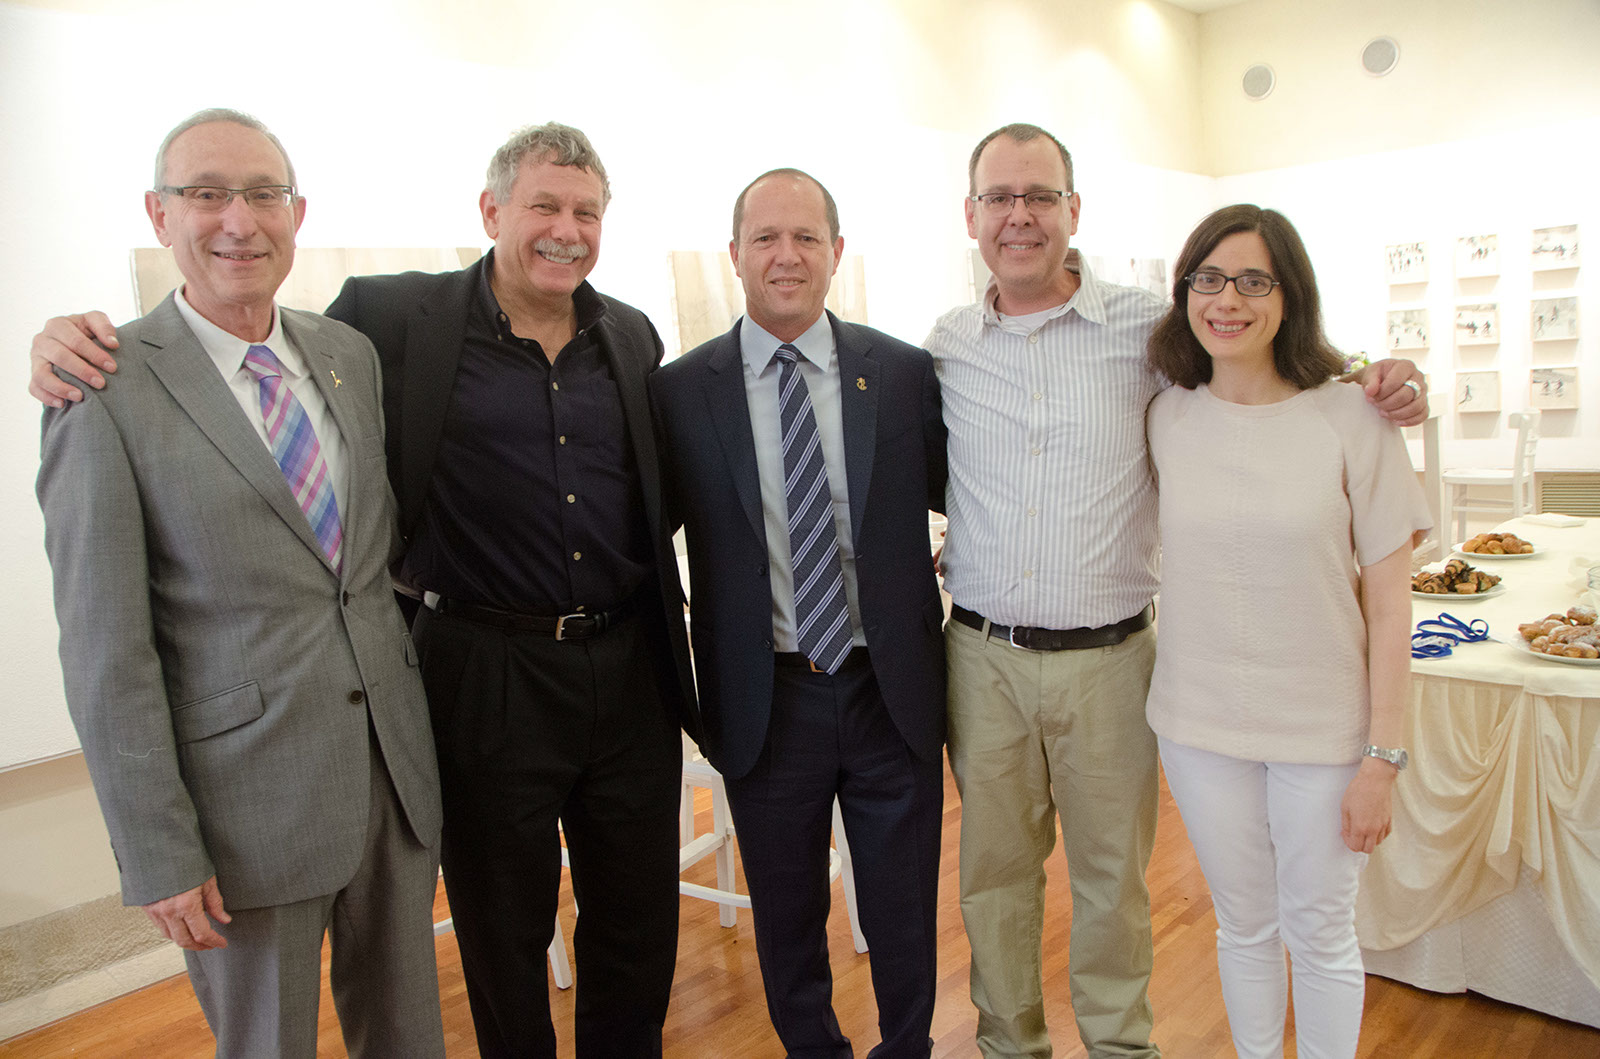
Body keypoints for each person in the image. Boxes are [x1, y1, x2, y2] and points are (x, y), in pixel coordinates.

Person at [28, 122, 698, 1059]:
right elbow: (227, 325)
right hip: (484, 667)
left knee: (637, 923)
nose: (565, 229)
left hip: (626, 670)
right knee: (501, 931)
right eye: (543, 204)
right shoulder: (388, 322)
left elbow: (656, 487)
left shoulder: (628, 333)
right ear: (491, 209)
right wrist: (62, 336)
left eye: (586, 211)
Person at [924, 123, 1429, 1059]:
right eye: (1000, 197)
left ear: (1075, 211)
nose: (1021, 215)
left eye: (1041, 196)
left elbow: (1276, 370)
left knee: (1116, 881)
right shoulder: (947, 345)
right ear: (971, 215)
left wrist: (1389, 378)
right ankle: (1008, 1047)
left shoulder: (1143, 339)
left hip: (1116, 659)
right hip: (988, 654)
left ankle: (1121, 1049)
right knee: (994, 877)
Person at [35, 109, 445, 1058]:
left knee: (409, 1039)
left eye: (264, 194)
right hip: (242, 811)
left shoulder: (347, 358)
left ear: (297, 214)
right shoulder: (102, 382)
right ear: (158, 213)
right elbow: (105, 649)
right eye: (207, 193)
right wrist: (158, 848)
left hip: (391, 779)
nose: (239, 220)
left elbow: (362, 580)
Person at [649, 169, 947, 1058]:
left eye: (807, 237)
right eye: (766, 238)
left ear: (836, 253)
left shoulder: (898, 371)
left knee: (902, 911)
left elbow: (972, 490)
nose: (787, 256)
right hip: (764, 697)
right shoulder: (678, 393)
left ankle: (909, 1047)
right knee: (787, 918)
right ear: (733, 254)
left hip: (887, 690)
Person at [1144, 204, 1428, 1058]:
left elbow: (1390, 607)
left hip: (1324, 732)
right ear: (1186, 289)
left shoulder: (1352, 418)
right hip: (1197, 725)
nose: (1228, 299)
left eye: (1254, 280)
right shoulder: (1166, 416)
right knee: (1244, 924)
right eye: (1209, 278)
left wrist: (1383, 759)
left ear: (1288, 294)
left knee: (1320, 931)